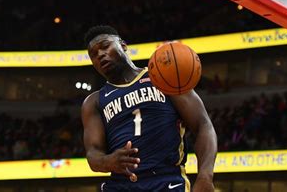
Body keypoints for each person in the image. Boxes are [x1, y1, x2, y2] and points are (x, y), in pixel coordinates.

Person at [81, 25, 217, 192]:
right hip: (120, 185)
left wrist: (205, 176)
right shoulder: (93, 102)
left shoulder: (165, 76)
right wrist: (107, 161)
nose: (100, 54)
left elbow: (203, 125)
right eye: (93, 54)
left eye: (105, 46)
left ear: (123, 45)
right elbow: (93, 153)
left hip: (165, 181)